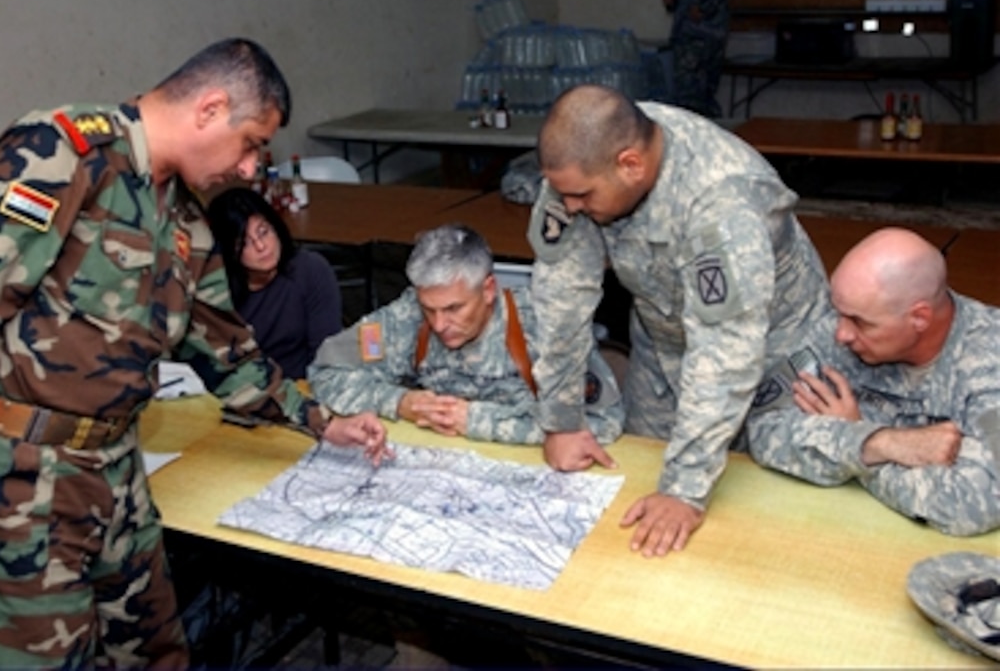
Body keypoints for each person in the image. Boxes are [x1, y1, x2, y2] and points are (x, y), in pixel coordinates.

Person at [0, 38, 389, 668]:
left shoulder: (186, 219)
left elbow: (230, 353)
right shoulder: (63, 153)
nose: (251, 169)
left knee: (158, 654)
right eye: (251, 143)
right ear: (210, 108)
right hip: (20, 480)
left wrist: (325, 423)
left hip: (115, 473)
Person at [528, 84, 829, 557]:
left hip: (774, 355)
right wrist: (562, 419)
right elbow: (560, 298)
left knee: (770, 521)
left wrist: (684, 490)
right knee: (637, 491)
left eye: (580, 196)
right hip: (663, 341)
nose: (568, 207)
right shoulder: (583, 162)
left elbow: (728, 351)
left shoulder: (721, 201)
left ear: (631, 165)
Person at [747, 228, 1000, 536]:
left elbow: (973, 505)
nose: (841, 333)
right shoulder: (839, 330)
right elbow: (765, 429)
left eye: (859, 322)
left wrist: (848, 447)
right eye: (838, 312)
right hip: (832, 532)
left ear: (919, 318)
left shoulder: (990, 361)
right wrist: (875, 441)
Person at [308, 224, 624, 445]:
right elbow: (325, 373)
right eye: (429, 310)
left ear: (488, 290)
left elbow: (604, 420)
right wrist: (400, 401)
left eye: (454, 309)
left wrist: (478, 421)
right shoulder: (410, 315)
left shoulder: (543, 325)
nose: (439, 324)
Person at [206, 186, 341, 380]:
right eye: (245, 243)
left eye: (264, 232)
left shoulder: (310, 270)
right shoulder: (218, 291)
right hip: (244, 391)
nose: (261, 246)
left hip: (304, 386)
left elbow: (326, 356)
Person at [662, 0, 729, 117]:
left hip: (696, 37)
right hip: (708, 34)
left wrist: (701, 5)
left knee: (689, 99)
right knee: (702, 98)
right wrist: (675, 1)